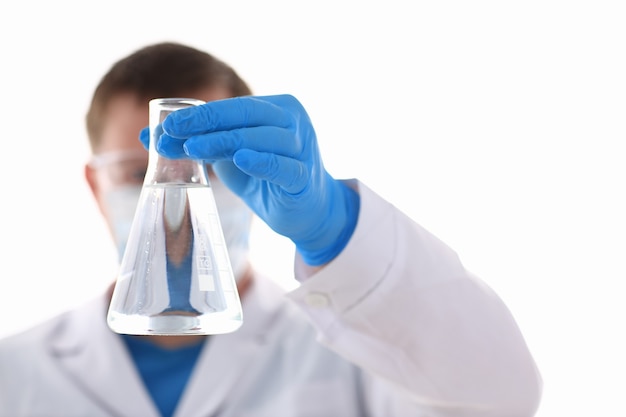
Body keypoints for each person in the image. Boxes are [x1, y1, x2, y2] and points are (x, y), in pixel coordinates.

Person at [0, 42, 543, 417]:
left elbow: (500, 398)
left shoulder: (354, 349)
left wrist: (337, 230)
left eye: (209, 166)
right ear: (96, 187)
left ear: (254, 168)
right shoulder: (14, 371)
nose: (172, 201)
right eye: (135, 172)